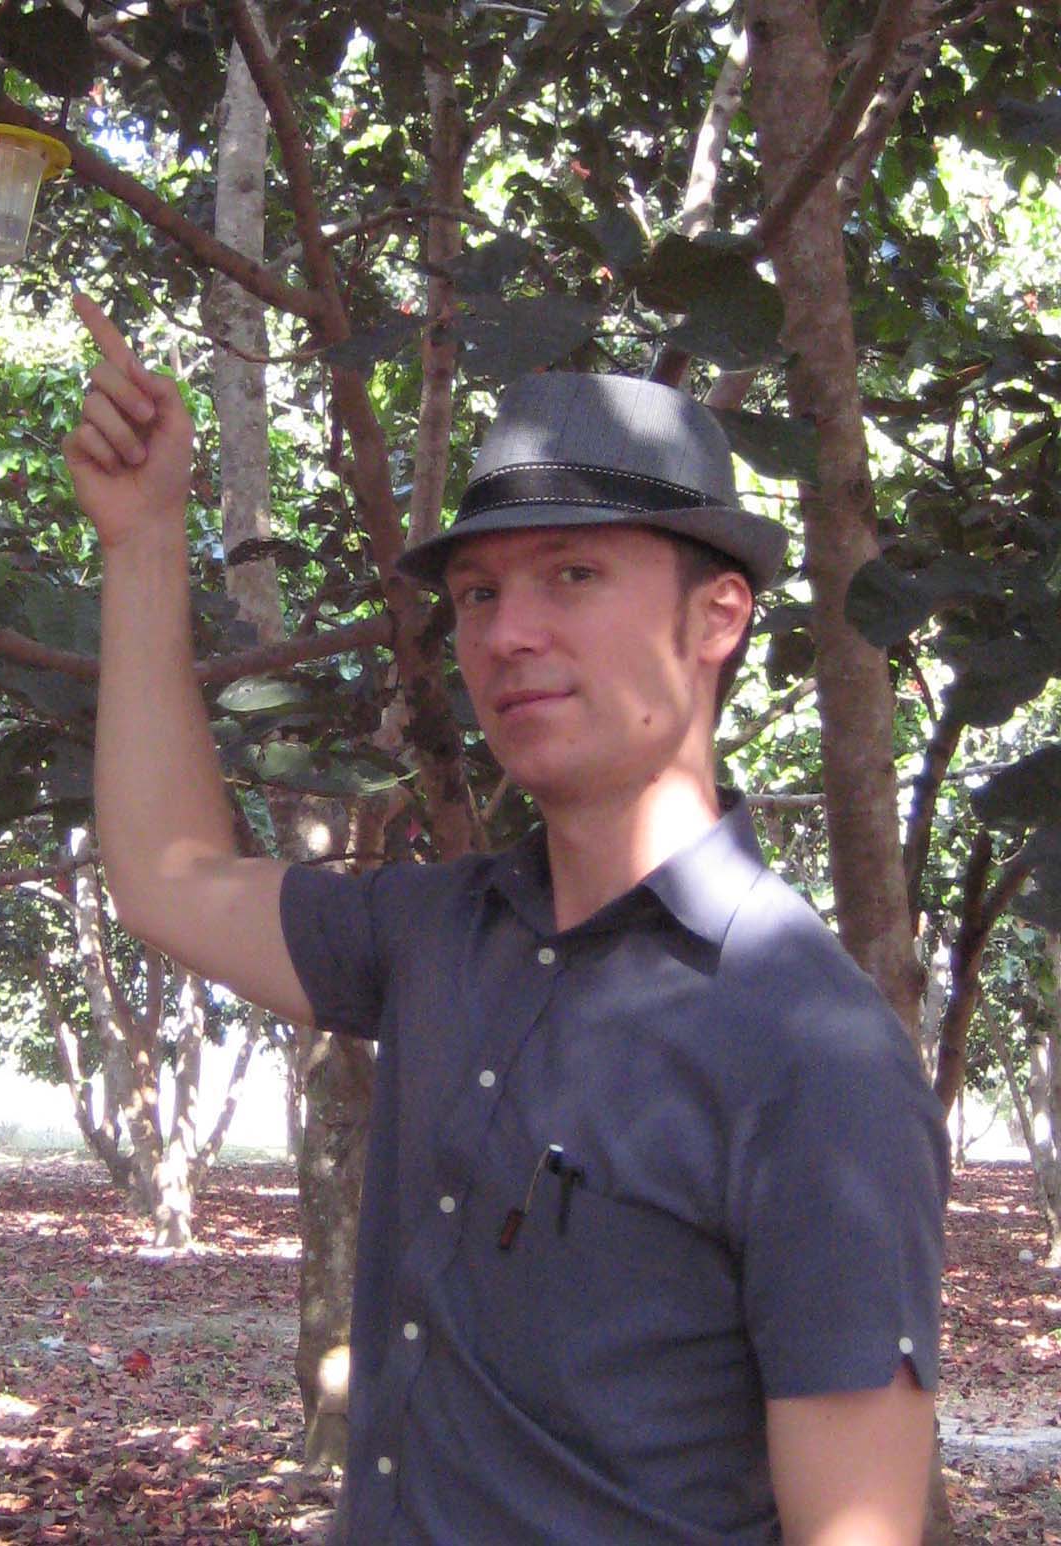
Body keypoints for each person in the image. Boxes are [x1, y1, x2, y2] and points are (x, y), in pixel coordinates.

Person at [64, 290, 950, 1545]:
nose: (507, 633)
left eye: (571, 574)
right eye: (475, 593)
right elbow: (166, 874)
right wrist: (145, 536)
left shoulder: (815, 1055)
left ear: (718, 615)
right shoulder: (437, 932)